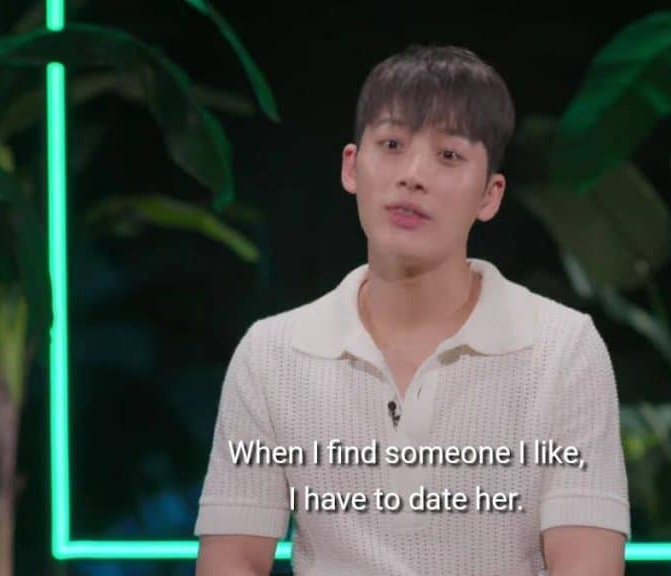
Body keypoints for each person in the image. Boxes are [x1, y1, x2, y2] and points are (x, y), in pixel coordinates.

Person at [194, 44, 629, 576]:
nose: (413, 175)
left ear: (490, 196)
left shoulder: (563, 348)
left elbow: (586, 563)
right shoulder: (271, 355)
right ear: (351, 167)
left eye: (449, 155)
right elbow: (233, 558)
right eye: (393, 144)